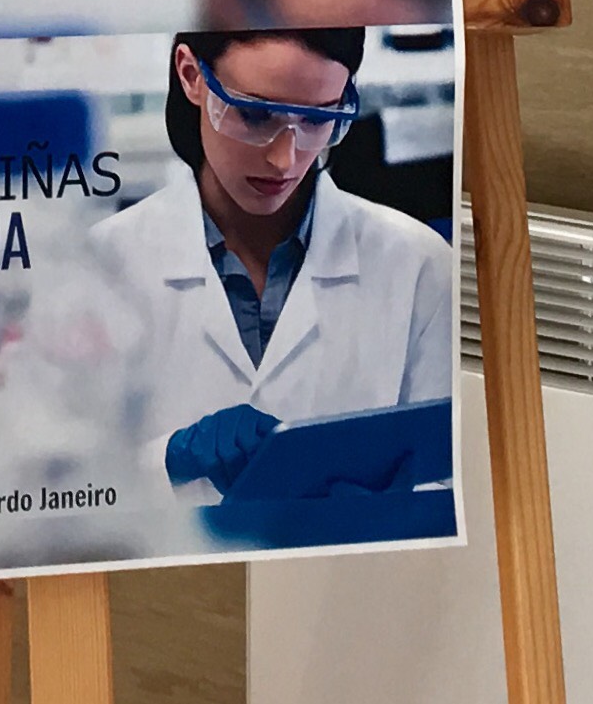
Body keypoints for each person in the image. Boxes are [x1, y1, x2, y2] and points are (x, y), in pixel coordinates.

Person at [92, 26, 456, 498]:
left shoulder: (419, 266)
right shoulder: (101, 265)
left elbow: (446, 483)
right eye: (255, 114)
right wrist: (168, 460)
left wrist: (373, 510)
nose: (285, 159)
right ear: (191, 75)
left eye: (318, 119)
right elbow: (57, 492)